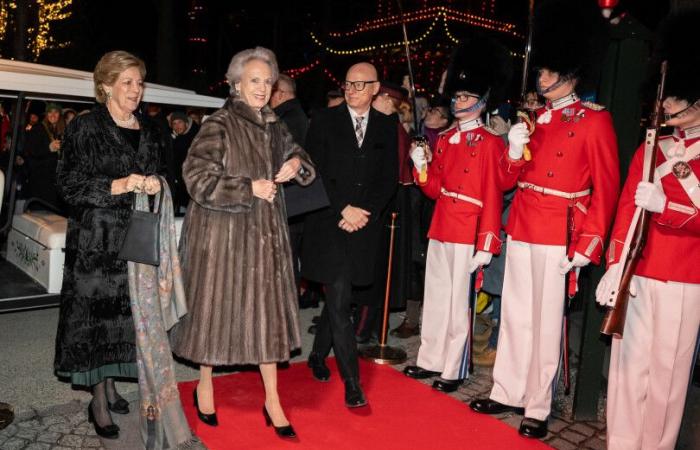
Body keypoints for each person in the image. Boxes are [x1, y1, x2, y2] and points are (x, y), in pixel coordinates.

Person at [469, 0, 619, 439]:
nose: (543, 79)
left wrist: (586, 245)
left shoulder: (595, 121)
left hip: (560, 230)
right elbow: (507, 180)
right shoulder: (533, 120)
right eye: (541, 72)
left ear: (572, 74)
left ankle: (537, 402)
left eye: (551, 72)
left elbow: (605, 189)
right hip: (524, 224)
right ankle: (508, 388)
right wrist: (513, 150)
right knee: (514, 313)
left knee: (546, 319)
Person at [169, 47, 315, 439]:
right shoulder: (218, 123)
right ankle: (205, 383)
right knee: (215, 312)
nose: (263, 88)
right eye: (254, 80)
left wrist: (296, 164)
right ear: (235, 85)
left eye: (268, 82)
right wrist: (247, 187)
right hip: (222, 236)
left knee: (265, 314)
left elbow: (301, 154)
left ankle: (273, 398)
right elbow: (195, 176)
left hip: (265, 236)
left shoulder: (275, 124)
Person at [596, 10, 700, 450]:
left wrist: (670, 205)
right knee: (627, 368)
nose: (668, 106)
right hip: (639, 270)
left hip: (684, 275)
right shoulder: (652, 145)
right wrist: (615, 264)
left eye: (678, 99)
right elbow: (625, 208)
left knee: (666, 376)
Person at [54, 51, 167, 440]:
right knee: (96, 326)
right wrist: (117, 185)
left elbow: (163, 172)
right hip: (96, 245)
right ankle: (98, 401)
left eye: (140, 82)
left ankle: (113, 386)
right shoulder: (85, 128)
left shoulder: (150, 128)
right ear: (105, 87)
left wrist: (156, 183)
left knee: (126, 324)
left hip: (135, 239)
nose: (136, 90)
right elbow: (68, 184)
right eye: (128, 83)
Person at [402, 36, 511, 392]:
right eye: (458, 96)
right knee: (436, 297)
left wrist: (487, 241)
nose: (459, 101)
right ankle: (429, 358)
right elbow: (435, 189)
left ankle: (454, 367)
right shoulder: (446, 140)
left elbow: (495, 196)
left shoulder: (493, 143)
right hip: (443, 226)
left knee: (457, 303)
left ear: (481, 101)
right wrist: (422, 168)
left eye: (466, 97)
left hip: (470, 229)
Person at [302, 62, 398, 408]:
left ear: (376, 89)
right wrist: (343, 208)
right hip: (329, 222)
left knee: (340, 298)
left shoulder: (387, 126)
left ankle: (316, 356)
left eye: (361, 85)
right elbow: (315, 171)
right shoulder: (324, 120)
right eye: (348, 83)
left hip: (362, 226)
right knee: (341, 302)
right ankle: (353, 384)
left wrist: (363, 214)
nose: (353, 89)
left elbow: (388, 179)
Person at [391, 97, 451, 339]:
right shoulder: (416, 134)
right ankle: (413, 318)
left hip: (433, 208)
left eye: (435, 111)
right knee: (414, 262)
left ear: (445, 120)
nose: (429, 113)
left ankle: (429, 319)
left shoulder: (446, 141)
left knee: (429, 265)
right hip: (413, 204)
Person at [23, 102, 66, 211]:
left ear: (59, 115)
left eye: (55, 112)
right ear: (46, 115)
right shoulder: (38, 128)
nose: (53, 115)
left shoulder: (62, 131)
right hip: (40, 182)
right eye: (50, 112)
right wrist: (48, 149)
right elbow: (30, 151)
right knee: (40, 216)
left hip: (55, 182)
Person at [169, 110, 200, 212]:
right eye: (174, 123)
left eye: (180, 122)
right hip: (183, 185)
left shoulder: (196, 137)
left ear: (186, 123)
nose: (177, 126)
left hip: (195, 186)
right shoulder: (178, 138)